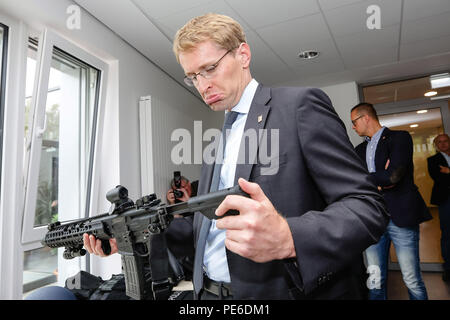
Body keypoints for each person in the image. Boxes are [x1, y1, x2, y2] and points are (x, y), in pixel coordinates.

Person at [85, 13, 388, 300]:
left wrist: (290, 236)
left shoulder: (298, 106)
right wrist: (131, 238)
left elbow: (366, 207)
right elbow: (206, 228)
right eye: (193, 76)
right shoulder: (217, 143)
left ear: (243, 55)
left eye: (210, 68)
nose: (202, 85)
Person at [350, 102, 431, 300]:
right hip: (372, 220)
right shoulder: (358, 150)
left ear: (366, 118)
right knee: (375, 281)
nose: (353, 127)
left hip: (401, 218)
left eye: (354, 122)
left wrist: (371, 178)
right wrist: (379, 178)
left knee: (412, 279)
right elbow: (354, 181)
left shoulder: (399, 138)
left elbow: (393, 176)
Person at [427, 133, 450, 282]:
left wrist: (449, 172)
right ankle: (448, 268)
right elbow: (438, 178)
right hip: (445, 201)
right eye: (439, 142)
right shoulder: (433, 160)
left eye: (445, 141)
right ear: (436, 145)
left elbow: (446, 176)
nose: (442, 144)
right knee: (447, 234)